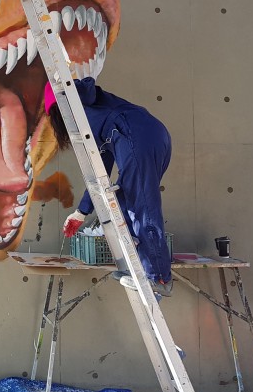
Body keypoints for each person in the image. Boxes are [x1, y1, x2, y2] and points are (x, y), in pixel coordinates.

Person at [45, 78, 173, 296]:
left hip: (137, 139)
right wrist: (81, 211)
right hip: (152, 135)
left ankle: (159, 277)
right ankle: (141, 270)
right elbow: (100, 170)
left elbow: (99, 167)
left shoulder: (79, 110)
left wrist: (62, 86)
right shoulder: (97, 112)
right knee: (124, 203)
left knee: (142, 208)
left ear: (58, 110)